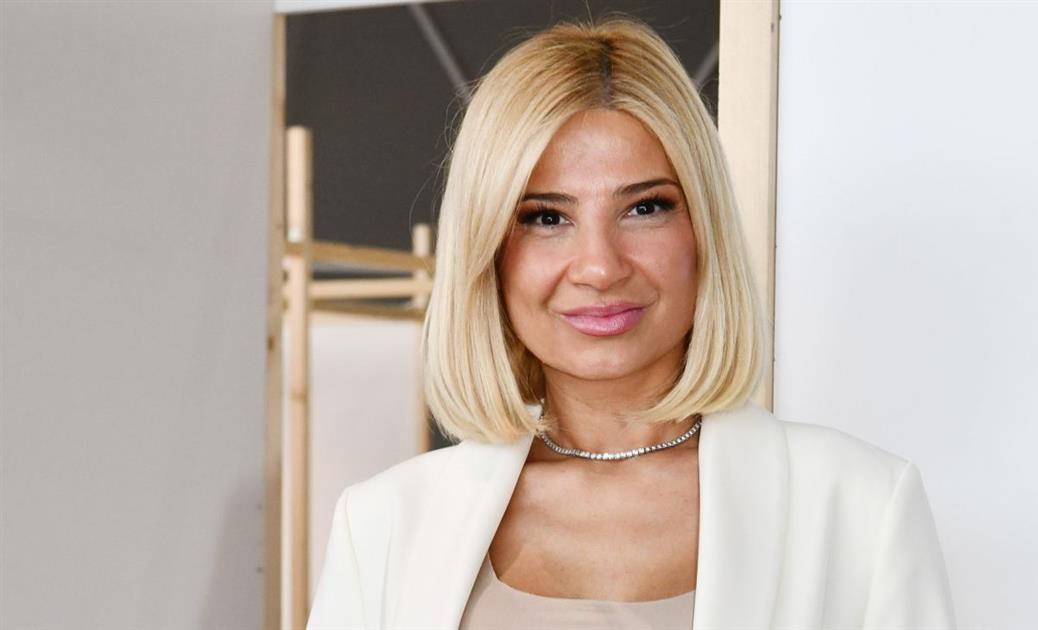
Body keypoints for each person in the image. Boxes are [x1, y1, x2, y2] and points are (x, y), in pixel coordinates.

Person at [307, 16, 956, 630]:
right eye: (545, 217)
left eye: (644, 207)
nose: (599, 266)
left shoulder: (862, 506)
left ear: (703, 231)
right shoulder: (385, 522)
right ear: (489, 254)